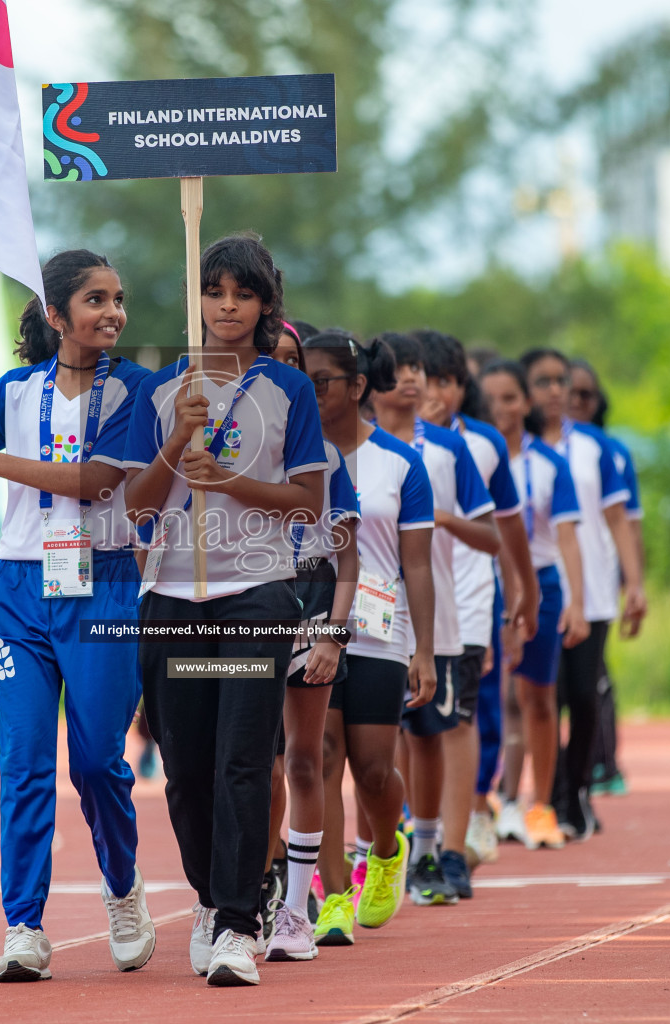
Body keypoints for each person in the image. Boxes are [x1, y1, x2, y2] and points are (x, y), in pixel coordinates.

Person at [0, 249, 156, 983]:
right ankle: (25, 926)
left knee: (96, 762)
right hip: (21, 591)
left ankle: (123, 888)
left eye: (117, 298)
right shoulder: (15, 391)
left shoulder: (137, 389)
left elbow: (94, 482)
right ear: (57, 316)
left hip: (105, 584)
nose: (112, 312)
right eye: (95, 300)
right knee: (24, 763)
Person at [123, 234, 326, 987]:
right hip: (172, 601)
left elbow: (308, 502)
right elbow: (137, 509)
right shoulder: (162, 389)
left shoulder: (288, 390)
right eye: (215, 292)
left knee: (244, 758)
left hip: (254, 596)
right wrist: (179, 442)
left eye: (244, 294)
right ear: (197, 300)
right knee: (185, 769)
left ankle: (241, 923)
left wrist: (230, 481)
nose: (228, 306)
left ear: (266, 303)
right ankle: (210, 900)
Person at [300, 330, 433, 947]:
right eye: (303, 380)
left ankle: (386, 846)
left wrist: (424, 650)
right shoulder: (289, 454)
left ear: (357, 388)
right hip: (306, 621)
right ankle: (332, 898)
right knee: (321, 757)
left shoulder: (401, 464)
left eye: (323, 381)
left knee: (374, 770)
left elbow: (419, 565)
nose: (311, 391)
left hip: (379, 628)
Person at [372, 333, 499, 907]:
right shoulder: (348, 451)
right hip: (364, 622)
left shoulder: (448, 449)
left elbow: (492, 534)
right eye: (397, 369)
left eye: (417, 368)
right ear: (368, 383)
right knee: (370, 741)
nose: (411, 378)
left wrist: (442, 519)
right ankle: (370, 847)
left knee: (431, 734)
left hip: (435, 621)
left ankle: (434, 850)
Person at [414, 330, 537, 886]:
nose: (432, 391)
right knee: (406, 729)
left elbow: (507, 530)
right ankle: (413, 838)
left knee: (456, 718)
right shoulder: (378, 443)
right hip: (395, 611)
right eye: (421, 379)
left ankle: (456, 848)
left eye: (445, 381)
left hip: (464, 602)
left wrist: (521, 596)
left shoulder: (481, 445)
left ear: (463, 387)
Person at [265, 321, 360, 962]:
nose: (281, 369)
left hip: (309, 605)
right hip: (238, 607)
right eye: (269, 358)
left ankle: (298, 909)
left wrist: (333, 634)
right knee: (244, 761)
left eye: (293, 361)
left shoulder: (325, 457)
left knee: (304, 758)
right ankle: (244, 892)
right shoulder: (221, 442)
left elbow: (348, 563)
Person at [523, 349, 645, 841]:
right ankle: (549, 799)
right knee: (542, 698)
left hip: (592, 593)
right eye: (545, 382)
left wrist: (635, 584)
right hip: (540, 594)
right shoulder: (519, 450)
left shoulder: (599, 448)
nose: (557, 392)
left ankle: (576, 790)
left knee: (583, 696)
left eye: (563, 382)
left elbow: (620, 519)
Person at [479, 360, 587, 851]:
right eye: (491, 399)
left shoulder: (550, 464)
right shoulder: (473, 456)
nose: (501, 409)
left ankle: (540, 805)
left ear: (526, 402)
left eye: (509, 398)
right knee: (485, 696)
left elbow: (566, 538)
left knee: (539, 699)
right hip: (484, 584)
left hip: (540, 584)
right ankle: (483, 800)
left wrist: (577, 603)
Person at [569, 359, 643, 796]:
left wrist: (635, 582)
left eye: (586, 395)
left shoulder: (609, 450)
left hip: (597, 580)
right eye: (569, 391)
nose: (576, 401)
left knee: (593, 679)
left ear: (598, 402)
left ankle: (602, 764)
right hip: (547, 587)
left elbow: (628, 523)